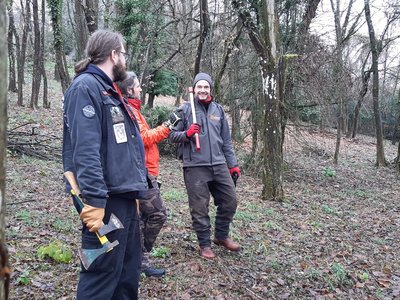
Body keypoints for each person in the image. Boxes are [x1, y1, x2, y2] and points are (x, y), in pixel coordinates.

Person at [62, 30, 147, 300]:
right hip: (105, 202)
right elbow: (85, 151)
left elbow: (119, 146)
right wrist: (96, 201)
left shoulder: (110, 91)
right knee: (101, 275)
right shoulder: (85, 88)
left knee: (126, 274)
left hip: (123, 198)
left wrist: (134, 190)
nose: (125, 59)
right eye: (123, 53)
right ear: (113, 55)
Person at [169, 72, 241, 259]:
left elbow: (226, 140)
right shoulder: (184, 110)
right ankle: (204, 245)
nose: (202, 90)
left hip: (218, 164)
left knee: (230, 200)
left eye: (206, 87)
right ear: (194, 89)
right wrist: (186, 134)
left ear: (210, 89)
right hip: (194, 166)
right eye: (199, 87)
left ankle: (221, 236)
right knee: (199, 207)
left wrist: (232, 164)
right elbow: (170, 135)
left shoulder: (218, 110)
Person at [115, 72, 178, 277]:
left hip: (145, 172)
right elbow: (144, 139)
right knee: (157, 214)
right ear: (129, 89)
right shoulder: (129, 111)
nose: (141, 89)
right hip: (142, 173)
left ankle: (138, 261)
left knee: (141, 217)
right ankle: (136, 256)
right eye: (138, 86)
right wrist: (168, 126)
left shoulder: (132, 109)